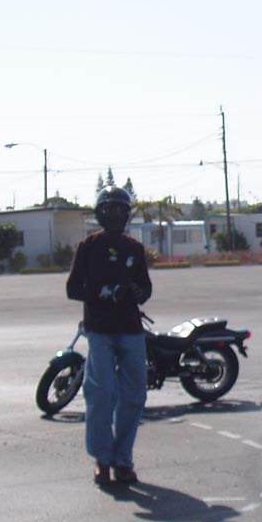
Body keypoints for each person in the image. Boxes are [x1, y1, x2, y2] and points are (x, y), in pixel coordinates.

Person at [66, 185, 152, 485]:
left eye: (121, 209)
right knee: (102, 394)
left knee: (135, 395)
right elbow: (73, 289)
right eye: (110, 209)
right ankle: (102, 459)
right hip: (100, 330)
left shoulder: (134, 248)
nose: (116, 214)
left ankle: (122, 460)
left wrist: (138, 292)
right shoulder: (88, 247)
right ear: (100, 214)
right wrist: (103, 292)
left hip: (131, 330)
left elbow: (146, 287)